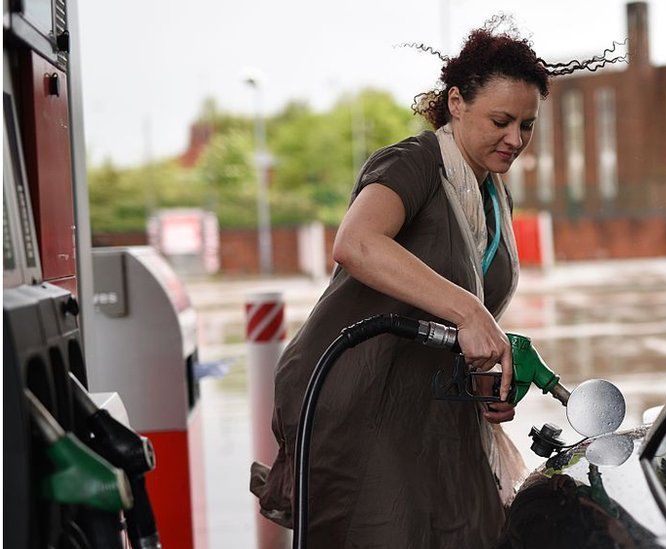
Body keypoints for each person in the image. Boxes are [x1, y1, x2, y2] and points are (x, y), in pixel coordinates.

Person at [249, 20, 624, 547]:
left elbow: (453, 316)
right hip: (366, 408)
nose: (515, 139)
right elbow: (356, 243)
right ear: (455, 103)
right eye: (501, 120)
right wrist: (470, 313)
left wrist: (486, 379)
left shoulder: (493, 194)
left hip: (440, 419)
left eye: (527, 125)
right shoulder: (414, 163)